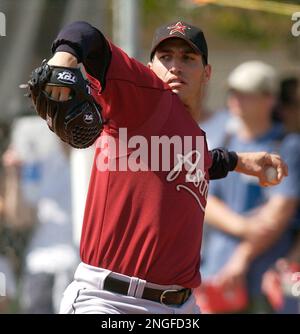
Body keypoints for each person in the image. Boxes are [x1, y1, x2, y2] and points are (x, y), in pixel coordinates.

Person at [30, 21, 288, 314]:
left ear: (207, 73)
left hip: (181, 306)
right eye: (166, 57)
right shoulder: (145, 96)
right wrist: (63, 58)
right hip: (109, 300)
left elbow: (198, 161)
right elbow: (84, 33)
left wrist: (237, 161)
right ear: (150, 68)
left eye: (187, 58)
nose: (175, 66)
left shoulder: (194, 137)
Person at [200, 61, 300, 313]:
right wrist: (245, 226)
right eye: (233, 92)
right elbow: (204, 201)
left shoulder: (288, 146)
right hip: (214, 277)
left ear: (269, 99)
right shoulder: (222, 141)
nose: (236, 99)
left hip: (263, 283)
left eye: (246, 93)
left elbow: (279, 214)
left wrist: (240, 259)